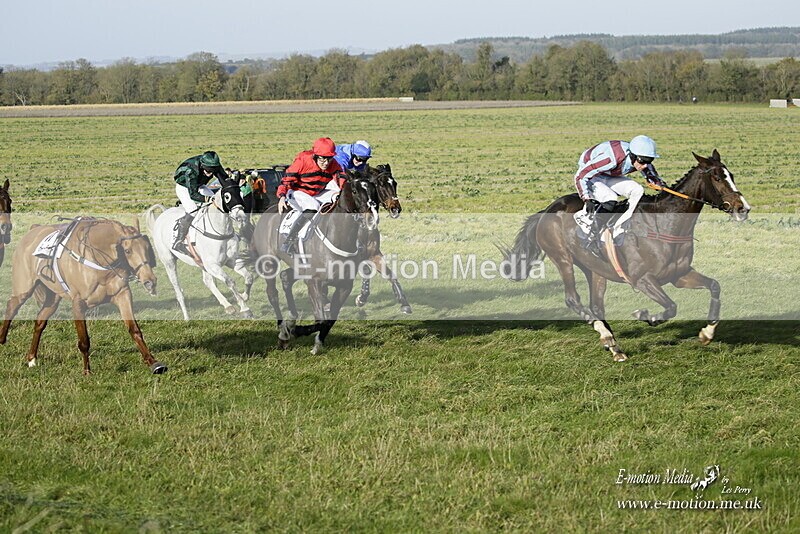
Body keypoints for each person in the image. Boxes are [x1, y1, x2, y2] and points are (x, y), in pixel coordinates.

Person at [574, 135, 666, 256]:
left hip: (608, 174)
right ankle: (590, 234)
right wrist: (587, 198)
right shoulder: (610, 158)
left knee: (637, 190)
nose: (645, 165)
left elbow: (652, 176)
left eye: (649, 161)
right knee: (610, 197)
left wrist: (660, 185)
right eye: (642, 161)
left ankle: (620, 228)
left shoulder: (641, 158)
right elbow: (581, 175)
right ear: (632, 155)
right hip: (592, 174)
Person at [277, 137, 345, 255]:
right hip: (297, 192)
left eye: (329, 159)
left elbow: (342, 181)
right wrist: (282, 196)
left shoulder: (333, 164)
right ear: (315, 156)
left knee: (338, 197)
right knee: (313, 206)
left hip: (317, 193)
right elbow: (286, 180)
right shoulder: (303, 160)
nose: (326, 163)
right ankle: (289, 241)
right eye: (323, 159)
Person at [173, 151, 228, 255]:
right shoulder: (191, 170)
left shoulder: (215, 165)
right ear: (202, 165)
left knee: (216, 205)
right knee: (192, 209)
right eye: (207, 169)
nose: (210, 172)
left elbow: (224, 179)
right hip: (184, 186)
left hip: (199, 184)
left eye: (212, 170)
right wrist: (208, 199)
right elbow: (193, 194)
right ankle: (178, 241)